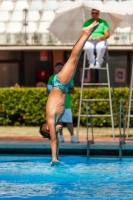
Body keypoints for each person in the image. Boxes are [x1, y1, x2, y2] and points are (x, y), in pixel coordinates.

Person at [39, 21, 99, 166]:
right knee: (75, 58)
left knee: (74, 57)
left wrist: (54, 158)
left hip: (60, 84)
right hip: (61, 85)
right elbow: (55, 140)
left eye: (52, 131)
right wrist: (56, 157)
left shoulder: (51, 120)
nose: (56, 130)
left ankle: (85, 33)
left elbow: (53, 140)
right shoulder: (53, 120)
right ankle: (85, 34)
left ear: (47, 129)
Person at [47, 61, 79, 143]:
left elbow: (73, 90)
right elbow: (47, 90)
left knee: (69, 121)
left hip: (66, 103)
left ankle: (72, 137)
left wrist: (64, 90)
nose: (59, 68)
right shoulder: (52, 78)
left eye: (61, 67)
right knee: (59, 121)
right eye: (58, 67)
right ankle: (61, 136)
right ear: (55, 68)